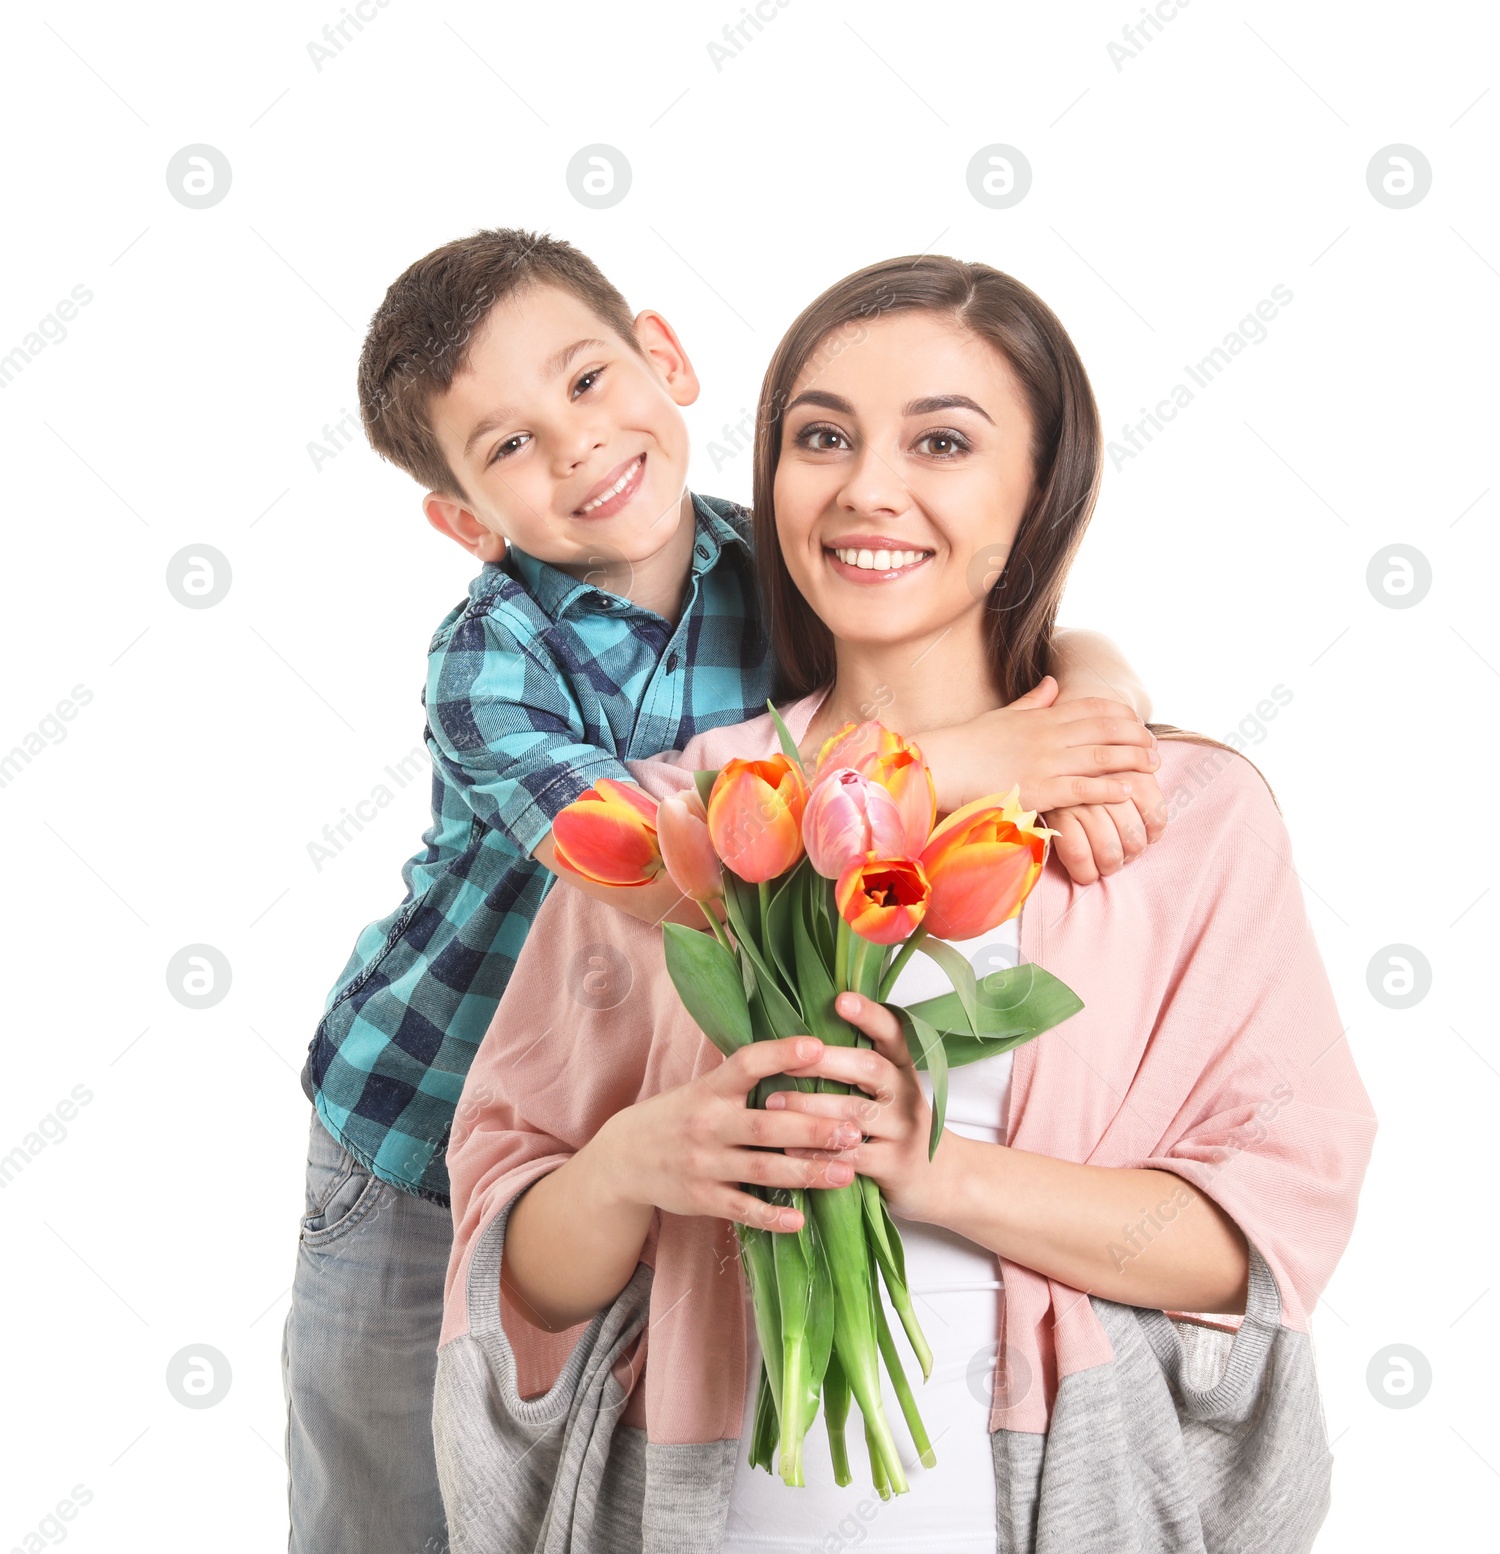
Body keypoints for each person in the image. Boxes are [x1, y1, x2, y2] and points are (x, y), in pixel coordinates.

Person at [435, 254, 1378, 1552]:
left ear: (1041, 485)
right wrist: (638, 1163)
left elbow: (1260, 1225)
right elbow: (515, 1261)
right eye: (822, 436)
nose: (869, 486)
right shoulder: (677, 824)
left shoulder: (1179, 813)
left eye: (942, 440)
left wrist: (935, 1170)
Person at [283, 229, 1163, 1551]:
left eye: (585, 381)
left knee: (558, 1489)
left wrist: (1097, 686)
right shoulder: (492, 664)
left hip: (637, 1132)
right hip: (418, 1130)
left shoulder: (784, 563)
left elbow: (1004, 636)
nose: (575, 445)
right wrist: (975, 761)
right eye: (508, 445)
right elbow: (667, 866)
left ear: (664, 356)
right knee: (394, 1497)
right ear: (464, 520)